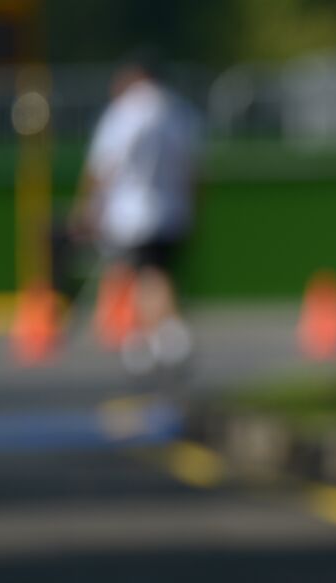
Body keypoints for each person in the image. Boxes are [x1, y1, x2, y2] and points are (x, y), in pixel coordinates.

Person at [70, 51, 201, 379]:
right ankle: (148, 337)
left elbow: (105, 163)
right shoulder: (180, 111)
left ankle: (167, 334)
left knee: (145, 272)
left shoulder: (126, 112)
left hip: (133, 210)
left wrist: (89, 205)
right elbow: (194, 167)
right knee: (155, 270)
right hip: (173, 207)